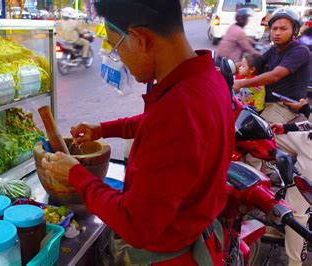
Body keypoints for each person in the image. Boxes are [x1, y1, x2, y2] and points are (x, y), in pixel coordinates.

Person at [41, 1, 235, 265]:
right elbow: (155, 123)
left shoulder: (177, 111)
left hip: (168, 255)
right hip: (198, 234)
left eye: (117, 48)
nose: (121, 60)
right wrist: (103, 129)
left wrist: (76, 174)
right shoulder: (207, 79)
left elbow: (135, 225)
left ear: (140, 39)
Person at [233, 7, 310, 124]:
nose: (277, 33)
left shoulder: (300, 51)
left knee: (249, 131)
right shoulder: (274, 49)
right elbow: (253, 62)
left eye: (283, 29)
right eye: (274, 29)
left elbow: (275, 75)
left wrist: (240, 83)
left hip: (283, 108)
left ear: (294, 30)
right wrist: (227, 67)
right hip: (264, 103)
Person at [271, 101, 312, 266]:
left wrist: (304, 109)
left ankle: (295, 263)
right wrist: (287, 127)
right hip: (307, 138)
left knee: (295, 213)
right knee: (265, 134)